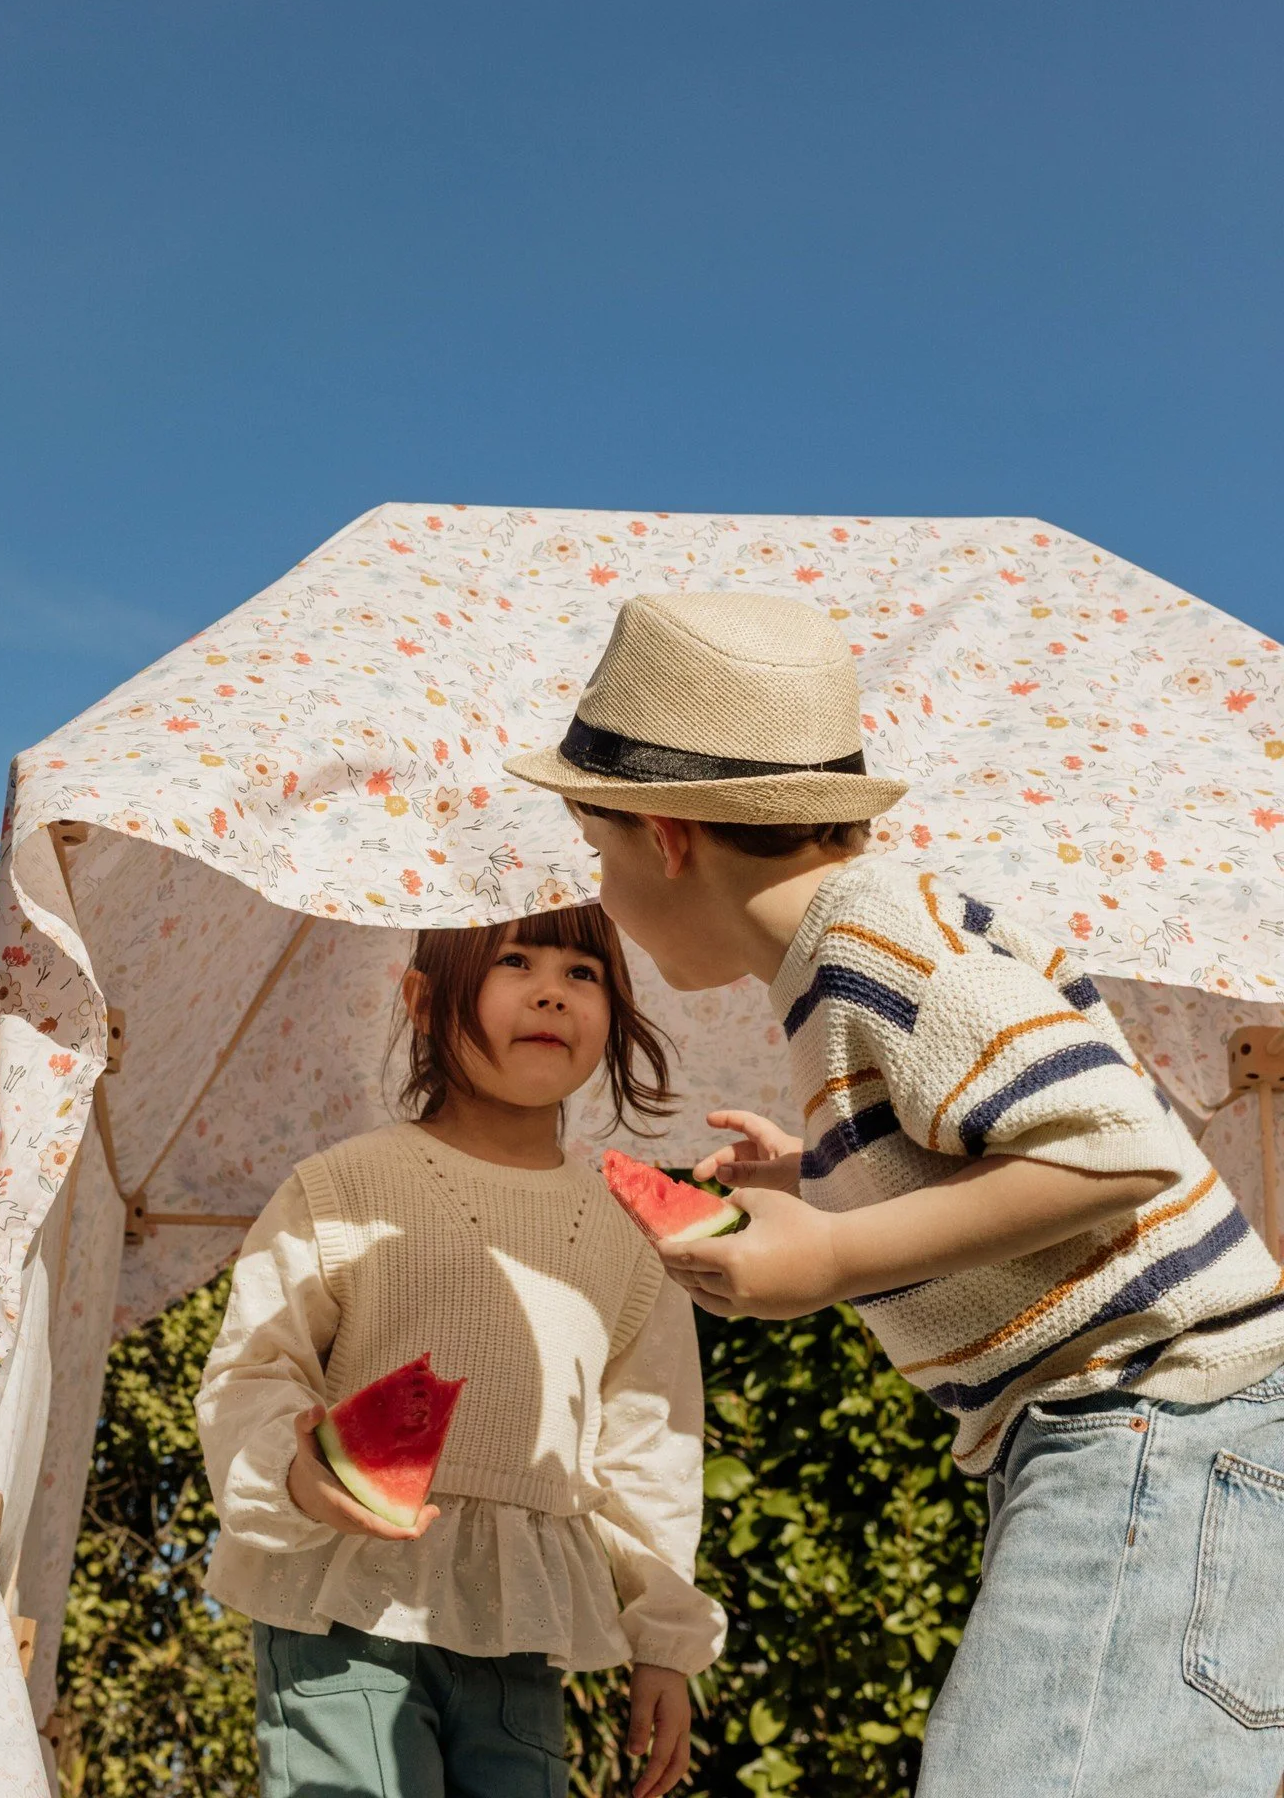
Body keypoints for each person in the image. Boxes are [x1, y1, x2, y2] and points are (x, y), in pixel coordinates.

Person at [507, 590, 1284, 1796]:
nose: (601, 894)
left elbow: (1115, 1150)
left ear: (666, 836)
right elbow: (996, 1142)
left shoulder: (869, 944)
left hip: (1154, 1423)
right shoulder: (866, 953)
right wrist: (812, 1176)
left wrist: (825, 1261)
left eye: (599, 854)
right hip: (1150, 1438)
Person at [196, 902, 724, 1798]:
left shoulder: (629, 1226)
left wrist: (667, 1641)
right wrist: (297, 1474)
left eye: (583, 974)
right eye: (516, 962)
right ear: (422, 998)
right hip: (338, 1606)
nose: (553, 993)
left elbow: (650, 1448)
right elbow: (254, 1370)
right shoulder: (341, 1186)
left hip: (521, 1623)